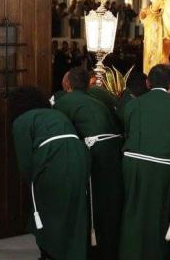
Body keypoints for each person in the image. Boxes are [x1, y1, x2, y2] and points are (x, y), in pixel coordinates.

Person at [120, 64, 170, 260]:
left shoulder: (132, 104)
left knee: (134, 212)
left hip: (133, 164)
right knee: (162, 214)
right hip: (167, 166)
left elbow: (126, 128)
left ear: (148, 83)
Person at [9, 86, 90, 260]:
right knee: (73, 209)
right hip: (79, 156)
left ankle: (50, 253)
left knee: (49, 210)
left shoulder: (22, 121)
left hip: (52, 159)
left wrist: (31, 182)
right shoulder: (57, 114)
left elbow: (25, 160)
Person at [53, 68, 123, 260]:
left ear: (67, 84)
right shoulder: (96, 100)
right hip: (113, 151)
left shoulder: (64, 102)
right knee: (106, 201)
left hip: (94, 153)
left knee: (91, 202)